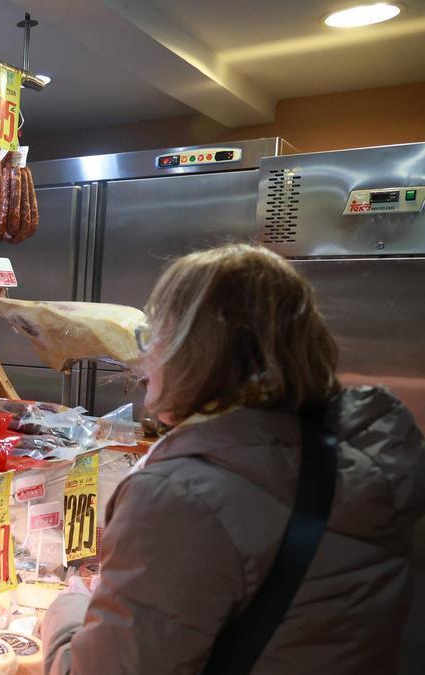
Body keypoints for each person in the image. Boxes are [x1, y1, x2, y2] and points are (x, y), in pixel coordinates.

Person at [41, 244, 424, 674]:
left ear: (192, 350)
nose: (146, 358)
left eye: (155, 336)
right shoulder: (366, 455)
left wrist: (66, 613)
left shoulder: (182, 495)